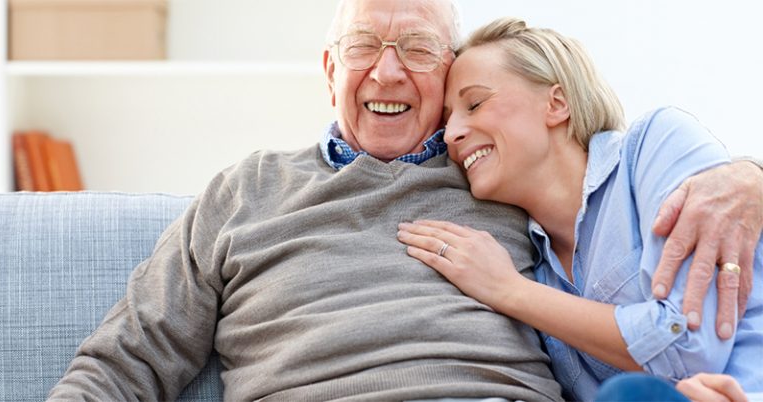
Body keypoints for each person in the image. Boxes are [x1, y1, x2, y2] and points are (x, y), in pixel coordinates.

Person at [48, 1, 763, 400]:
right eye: (364, 46)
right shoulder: (245, 193)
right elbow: (126, 361)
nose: (387, 71)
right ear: (329, 71)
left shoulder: (503, 187)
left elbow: (644, 340)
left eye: (419, 50)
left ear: (447, 76)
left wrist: (751, 177)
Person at [396, 16, 763, 401]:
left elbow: (687, 344)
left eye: (475, 103)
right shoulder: (530, 260)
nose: (452, 134)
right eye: (447, 121)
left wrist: (509, 291)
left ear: (556, 104)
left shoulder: (652, 148)